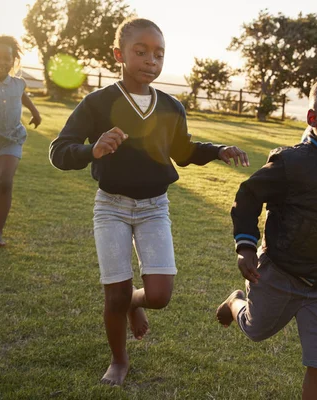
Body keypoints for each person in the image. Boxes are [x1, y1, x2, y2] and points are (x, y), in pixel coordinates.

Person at [49, 17, 249, 386]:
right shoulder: (97, 103)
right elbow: (59, 151)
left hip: (155, 207)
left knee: (159, 295)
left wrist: (218, 150)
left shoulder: (172, 106)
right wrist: (93, 149)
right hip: (111, 206)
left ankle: (133, 305)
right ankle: (119, 360)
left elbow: (184, 150)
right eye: (140, 52)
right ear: (119, 54)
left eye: (158, 54)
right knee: (115, 293)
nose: (150, 61)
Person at [216, 76, 317, 400]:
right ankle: (234, 303)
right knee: (255, 329)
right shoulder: (291, 162)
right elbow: (248, 196)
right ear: (313, 119)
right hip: (281, 274)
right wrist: (246, 246)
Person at [0, 34, 42, 246]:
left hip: (11, 138)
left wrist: (35, 111)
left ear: (14, 60)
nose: (1, 62)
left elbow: (22, 96)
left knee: (4, 182)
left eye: (7, 58)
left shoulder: (18, 83)